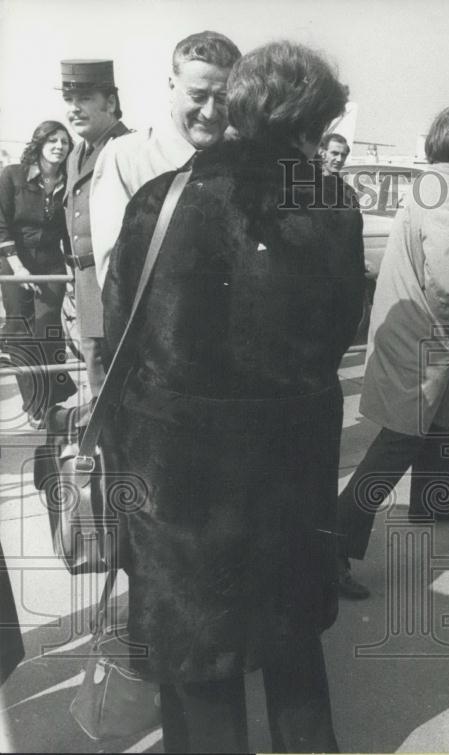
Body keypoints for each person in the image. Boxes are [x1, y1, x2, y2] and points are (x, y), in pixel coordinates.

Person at [102, 41, 361, 753]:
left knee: (197, 664)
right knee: (291, 647)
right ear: (307, 125)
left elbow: (118, 335)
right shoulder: (330, 204)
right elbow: (343, 328)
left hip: (178, 480)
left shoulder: (163, 198)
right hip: (288, 471)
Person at [334, 106, 449, 598]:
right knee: (397, 443)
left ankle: (431, 499)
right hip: (426, 335)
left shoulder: (434, 184)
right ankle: (332, 546)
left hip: (414, 329)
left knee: (438, 420)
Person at [90, 30, 240, 288]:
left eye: (223, 98)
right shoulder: (125, 158)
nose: (209, 112)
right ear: (172, 86)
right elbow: (115, 277)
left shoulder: (243, 158)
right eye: (198, 96)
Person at [60, 59, 130, 426]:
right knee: (97, 373)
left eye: (84, 97)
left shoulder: (127, 148)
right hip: (85, 282)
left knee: (118, 379)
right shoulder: (77, 153)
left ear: (111, 101)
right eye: (69, 99)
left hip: (117, 284)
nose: (74, 108)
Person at [0, 121, 77, 427]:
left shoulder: (69, 181)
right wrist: (18, 267)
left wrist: (75, 272)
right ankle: (36, 407)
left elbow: (71, 229)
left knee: (47, 331)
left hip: (50, 266)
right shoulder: (12, 175)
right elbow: (1, 222)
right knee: (20, 334)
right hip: (12, 263)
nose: (59, 146)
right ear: (39, 143)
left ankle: (53, 399)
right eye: (53, 140)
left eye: (64, 141)